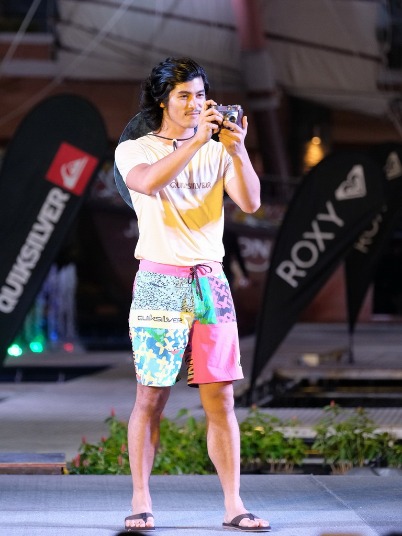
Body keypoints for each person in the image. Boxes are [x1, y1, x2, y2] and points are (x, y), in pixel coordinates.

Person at [115, 57, 270, 533]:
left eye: (201, 95)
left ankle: (234, 504)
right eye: (184, 96)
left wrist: (237, 150)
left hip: (211, 283)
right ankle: (141, 499)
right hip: (159, 282)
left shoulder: (218, 148)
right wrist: (198, 141)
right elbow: (147, 182)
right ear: (162, 100)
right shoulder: (135, 149)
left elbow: (251, 203)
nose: (195, 104)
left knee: (221, 399)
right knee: (151, 397)